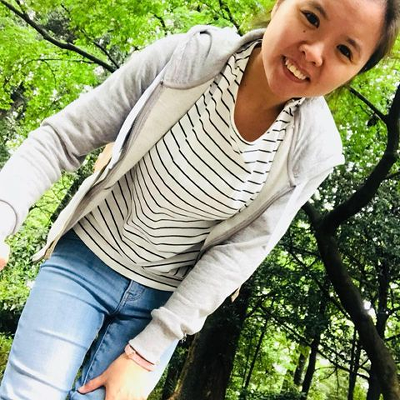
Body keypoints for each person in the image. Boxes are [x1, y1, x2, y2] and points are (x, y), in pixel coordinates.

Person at [0, 0, 398, 398]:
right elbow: (62, 139)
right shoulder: (187, 58)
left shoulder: (312, 151)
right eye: (311, 17)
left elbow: (240, 253)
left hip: (163, 306)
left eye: (344, 50)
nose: (314, 52)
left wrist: (147, 351)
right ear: (280, 5)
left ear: (356, 72)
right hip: (85, 259)